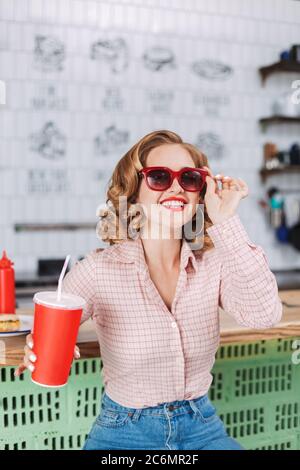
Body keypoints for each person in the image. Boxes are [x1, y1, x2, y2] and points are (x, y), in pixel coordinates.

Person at [15, 130, 282, 450]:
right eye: (158, 177)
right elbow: (49, 327)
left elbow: (265, 314)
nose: (176, 187)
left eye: (190, 178)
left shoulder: (214, 264)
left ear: (201, 193)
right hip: (124, 432)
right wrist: (39, 346)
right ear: (134, 192)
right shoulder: (100, 270)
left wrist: (225, 220)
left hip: (203, 428)